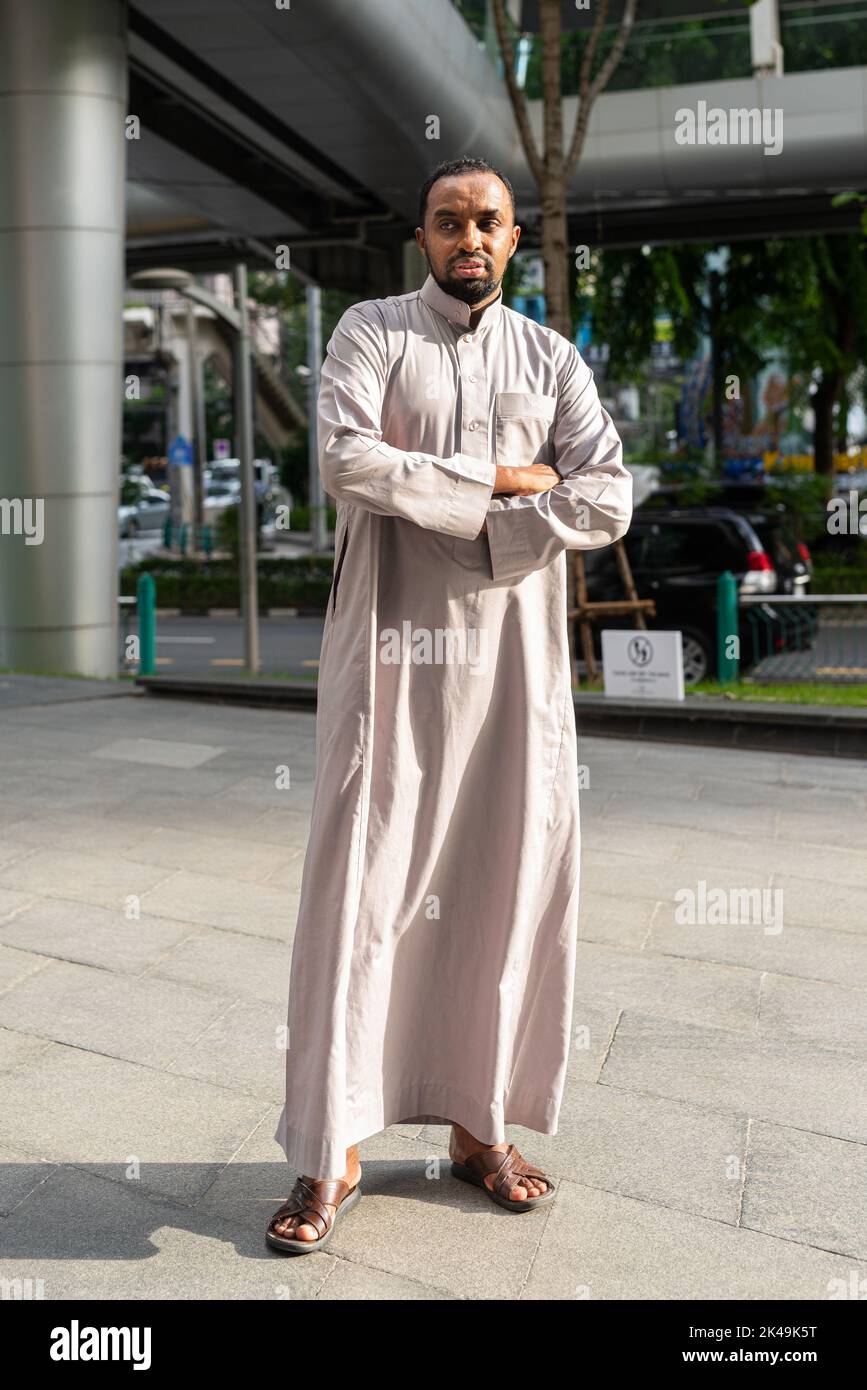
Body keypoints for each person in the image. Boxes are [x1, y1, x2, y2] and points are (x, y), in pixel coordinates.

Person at [267, 156, 632, 1254]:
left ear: (514, 237)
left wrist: (482, 513)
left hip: (516, 669)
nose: (468, 237)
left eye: (487, 221)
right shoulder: (370, 333)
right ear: (419, 236)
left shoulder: (552, 357)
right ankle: (328, 1150)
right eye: (447, 221)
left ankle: (481, 1128)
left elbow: (609, 492)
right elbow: (346, 458)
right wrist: (509, 485)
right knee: (361, 888)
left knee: (505, 877)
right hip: (389, 661)